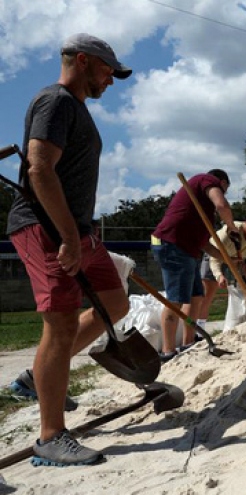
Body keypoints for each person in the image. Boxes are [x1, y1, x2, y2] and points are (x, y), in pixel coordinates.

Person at [5, 33, 133, 467]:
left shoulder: (75, 109)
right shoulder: (55, 101)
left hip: (77, 232)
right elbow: (39, 168)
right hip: (47, 230)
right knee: (59, 326)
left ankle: (36, 377)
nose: (112, 81)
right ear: (82, 60)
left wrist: (79, 236)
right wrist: (67, 238)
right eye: (107, 71)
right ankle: (51, 436)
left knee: (115, 303)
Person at [152, 170, 238, 361]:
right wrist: (231, 226)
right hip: (171, 244)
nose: (223, 192)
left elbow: (205, 244)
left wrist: (227, 259)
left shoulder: (202, 212)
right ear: (222, 182)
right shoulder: (207, 180)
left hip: (187, 249)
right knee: (175, 300)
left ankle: (188, 342)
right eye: (224, 189)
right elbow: (222, 204)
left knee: (196, 297)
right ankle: (167, 351)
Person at [196, 209, 246, 328]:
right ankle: (199, 327)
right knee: (208, 290)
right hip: (217, 254)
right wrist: (219, 275)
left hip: (242, 256)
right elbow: (214, 259)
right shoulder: (229, 233)